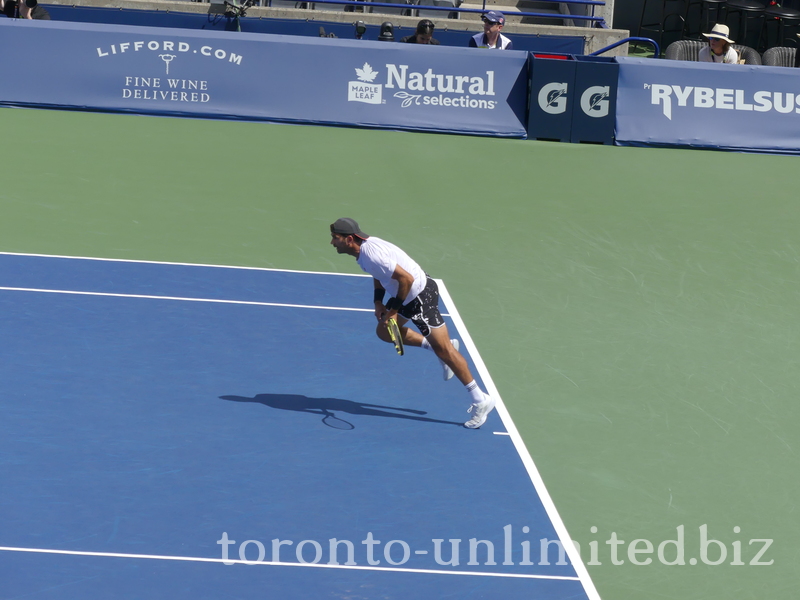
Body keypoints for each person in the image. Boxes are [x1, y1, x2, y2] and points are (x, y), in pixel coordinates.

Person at [329, 218, 496, 429]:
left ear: (349, 239)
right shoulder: (364, 251)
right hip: (406, 295)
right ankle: (434, 348)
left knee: (445, 350)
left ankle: (481, 399)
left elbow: (405, 279)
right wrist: (378, 302)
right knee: (385, 332)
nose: (332, 243)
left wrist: (393, 310)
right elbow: (380, 275)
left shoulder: (373, 255)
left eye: (336, 238)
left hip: (419, 298)